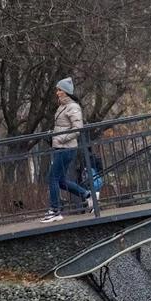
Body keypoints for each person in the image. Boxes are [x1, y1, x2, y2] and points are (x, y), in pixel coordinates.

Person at [41, 77, 94, 223]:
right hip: (61, 147)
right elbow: (63, 126)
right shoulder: (62, 107)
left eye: (59, 90)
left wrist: (60, 138)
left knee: (52, 178)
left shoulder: (73, 107)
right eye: (57, 90)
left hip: (66, 148)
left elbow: (77, 129)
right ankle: (87, 195)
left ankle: (55, 210)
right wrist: (53, 135)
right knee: (61, 181)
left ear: (65, 92)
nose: (57, 93)